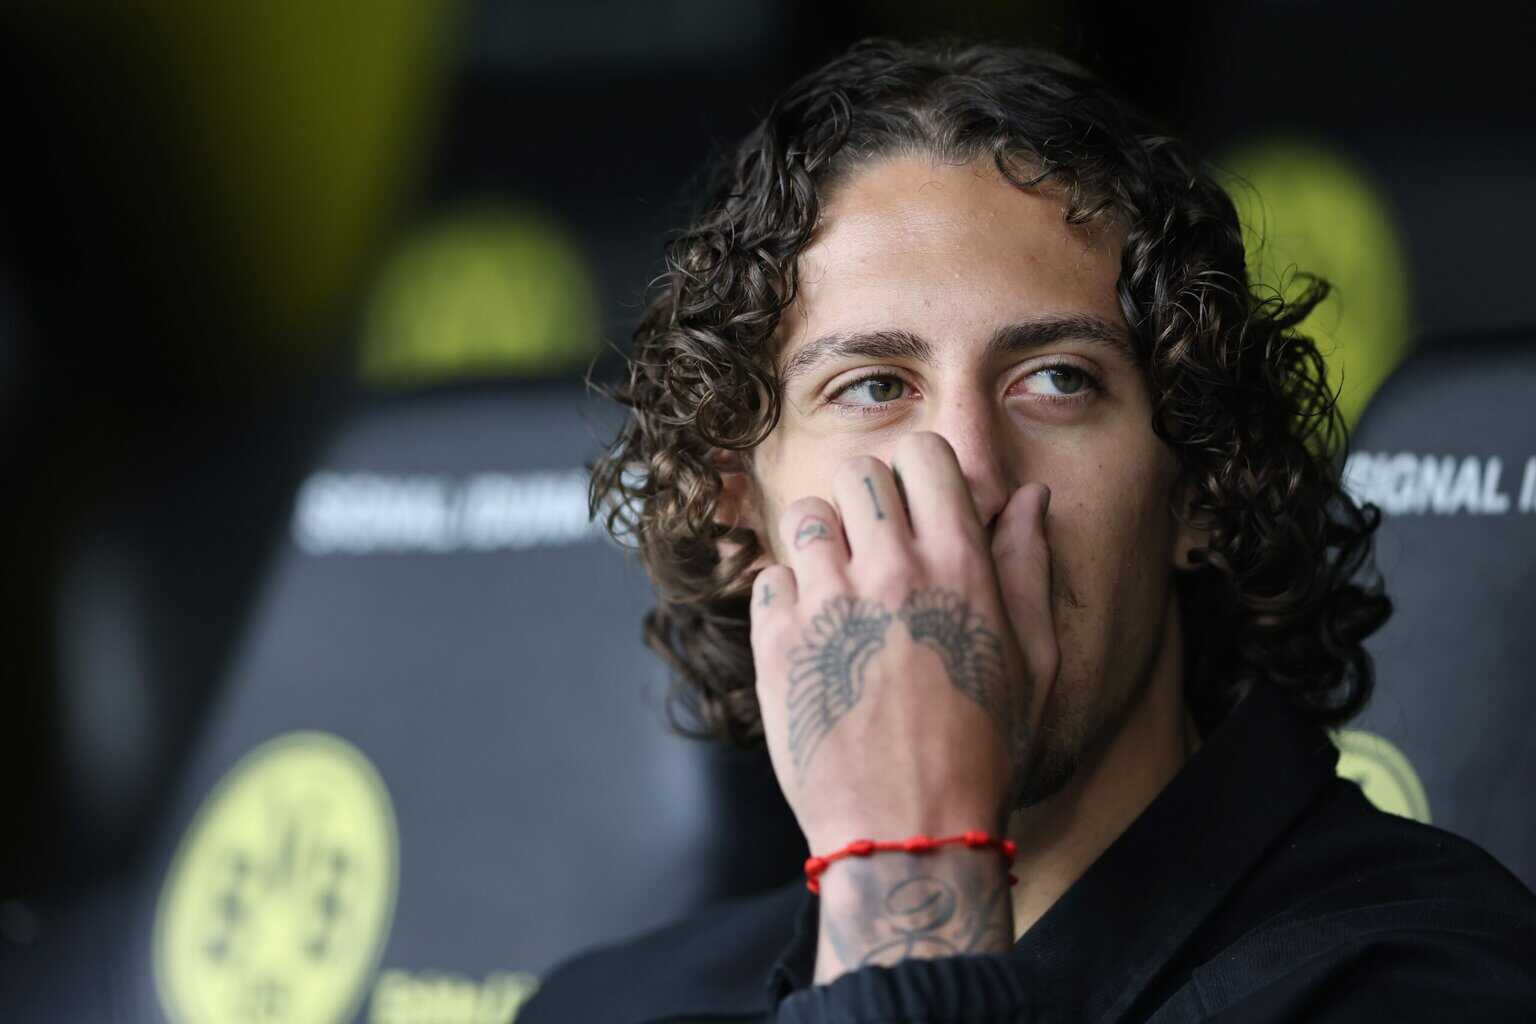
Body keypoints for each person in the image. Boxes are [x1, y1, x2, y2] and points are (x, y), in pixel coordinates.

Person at [520, 38, 1536, 1023]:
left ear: (1199, 488)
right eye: (873, 387)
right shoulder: (609, 1007)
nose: (969, 474)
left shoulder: (1418, 978)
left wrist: (911, 869)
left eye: (1057, 380)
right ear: (734, 511)